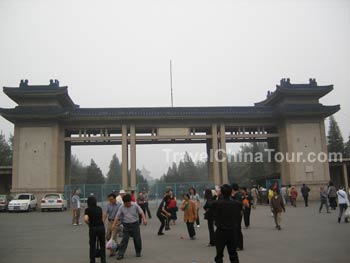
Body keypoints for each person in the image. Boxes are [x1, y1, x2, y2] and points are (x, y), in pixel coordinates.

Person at [112, 194, 147, 260]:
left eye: (128, 203)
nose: (127, 205)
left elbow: (141, 212)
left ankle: (138, 252)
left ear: (130, 201)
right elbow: (117, 216)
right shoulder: (122, 207)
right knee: (124, 240)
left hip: (135, 224)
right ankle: (121, 254)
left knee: (137, 239)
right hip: (126, 225)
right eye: (125, 203)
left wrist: (144, 219)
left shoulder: (135, 205)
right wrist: (113, 224)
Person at [212, 184, 241, 263]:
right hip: (232, 231)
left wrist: (216, 196)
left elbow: (209, 206)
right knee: (233, 254)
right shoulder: (237, 204)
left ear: (221, 192)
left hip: (220, 232)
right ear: (231, 192)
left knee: (219, 255)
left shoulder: (216, 204)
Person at [84, 196, 106, 263]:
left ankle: (92, 261)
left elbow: (85, 219)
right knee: (102, 245)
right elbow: (102, 218)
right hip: (101, 228)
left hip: (93, 228)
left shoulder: (87, 210)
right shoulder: (99, 208)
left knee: (92, 245)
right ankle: (103, 260)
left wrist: (89, 224)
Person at [231, 183, 243, 251]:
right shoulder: (238, 194)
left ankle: (239, 245)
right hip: (237, 214)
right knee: (237, 229)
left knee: (237, 229)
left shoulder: (237, 195)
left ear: (233, 189)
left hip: (237, 214)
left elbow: (238, 204)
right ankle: (238, 244)